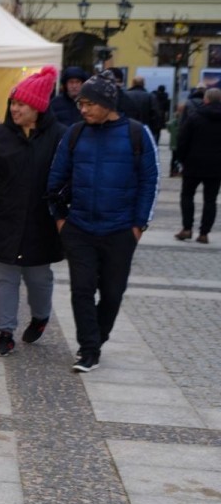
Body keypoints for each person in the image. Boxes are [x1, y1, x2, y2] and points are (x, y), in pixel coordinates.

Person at [46, 73, 159, 373]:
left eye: (89, 104)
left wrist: (139, 226)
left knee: (112, 292)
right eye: (80, 103)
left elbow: (150, 181)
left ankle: (97, 337)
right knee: (81, 289)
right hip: (79, 228)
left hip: (121, 230)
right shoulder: (74, 134)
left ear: (107, 103)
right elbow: (55, 180)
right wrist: (60, 221)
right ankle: (88, 349)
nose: (83, 109)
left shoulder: (138, 134)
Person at [0, 65, 65, 357]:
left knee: (38, 278)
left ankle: (41, 316)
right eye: (13, 102)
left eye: (21, 103)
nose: (14, 108)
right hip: (3, 220)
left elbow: (70, 179)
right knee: (5, 277)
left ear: (37, 106)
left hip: (41, 224)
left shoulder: (60, 136)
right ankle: (5, 333)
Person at [173, 87, 221, 244]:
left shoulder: (195, 117)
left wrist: (181, 159)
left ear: (205, 99)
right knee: (210, 200)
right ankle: (204, 233)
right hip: (216, 166)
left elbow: (182, 140)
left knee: (187, 195)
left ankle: (187, 229)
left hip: (193, 163)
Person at [125, 75, 161, 140]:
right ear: (143, 84)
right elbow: (156, 115)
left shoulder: (125, 96)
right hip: (146, 130)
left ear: (132, 83)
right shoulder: (150, 97)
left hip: (127, 130)